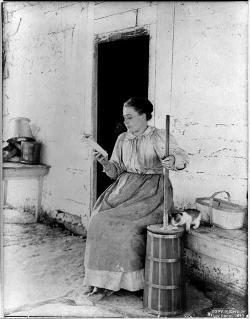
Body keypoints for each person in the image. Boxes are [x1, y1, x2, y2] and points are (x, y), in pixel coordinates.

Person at [79, 97, 189, 304]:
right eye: (124, 118)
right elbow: (115, 171)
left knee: (126, 229)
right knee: (97, 220)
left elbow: (181, 156)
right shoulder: (122, 138)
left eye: (130, 117)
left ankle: (131, 282)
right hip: (123, 188)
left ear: (144, 115)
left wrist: (172, 160)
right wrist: (104, 161)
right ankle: (100, 281)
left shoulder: (159, 136)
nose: (126, 122)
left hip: (152, 193)